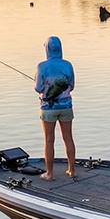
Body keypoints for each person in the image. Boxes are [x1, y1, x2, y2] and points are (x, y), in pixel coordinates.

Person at [35, 36, 76, 180]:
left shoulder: (42, 66)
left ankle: (49, 174)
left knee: (48, 140)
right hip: (66, 106)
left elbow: (38, 87)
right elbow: (72, 85)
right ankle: (71, 170)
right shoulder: (68, 65)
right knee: (68, 138)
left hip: (48, 108)